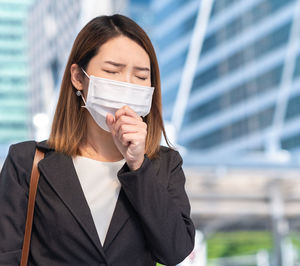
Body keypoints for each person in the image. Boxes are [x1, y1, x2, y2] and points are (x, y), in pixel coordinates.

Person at [0, 14, 195, 265]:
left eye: (141, 76)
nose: (127, 84)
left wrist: (137, 165)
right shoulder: (27, 162)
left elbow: (175, 250)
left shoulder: (164, 165)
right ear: (78, 78)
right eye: (113, 71)